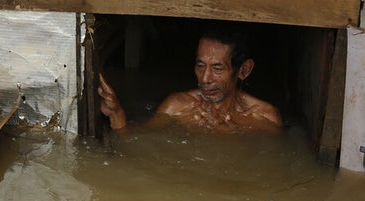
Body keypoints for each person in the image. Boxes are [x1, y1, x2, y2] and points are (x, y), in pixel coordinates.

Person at [97, 28, 283, 133]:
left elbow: (269, 170)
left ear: (244, 70)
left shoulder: (266, 118)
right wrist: (117, 114)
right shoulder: (176, 106)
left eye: (217, 68)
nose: (205, 78)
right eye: (200, 65)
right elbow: (133, 146)